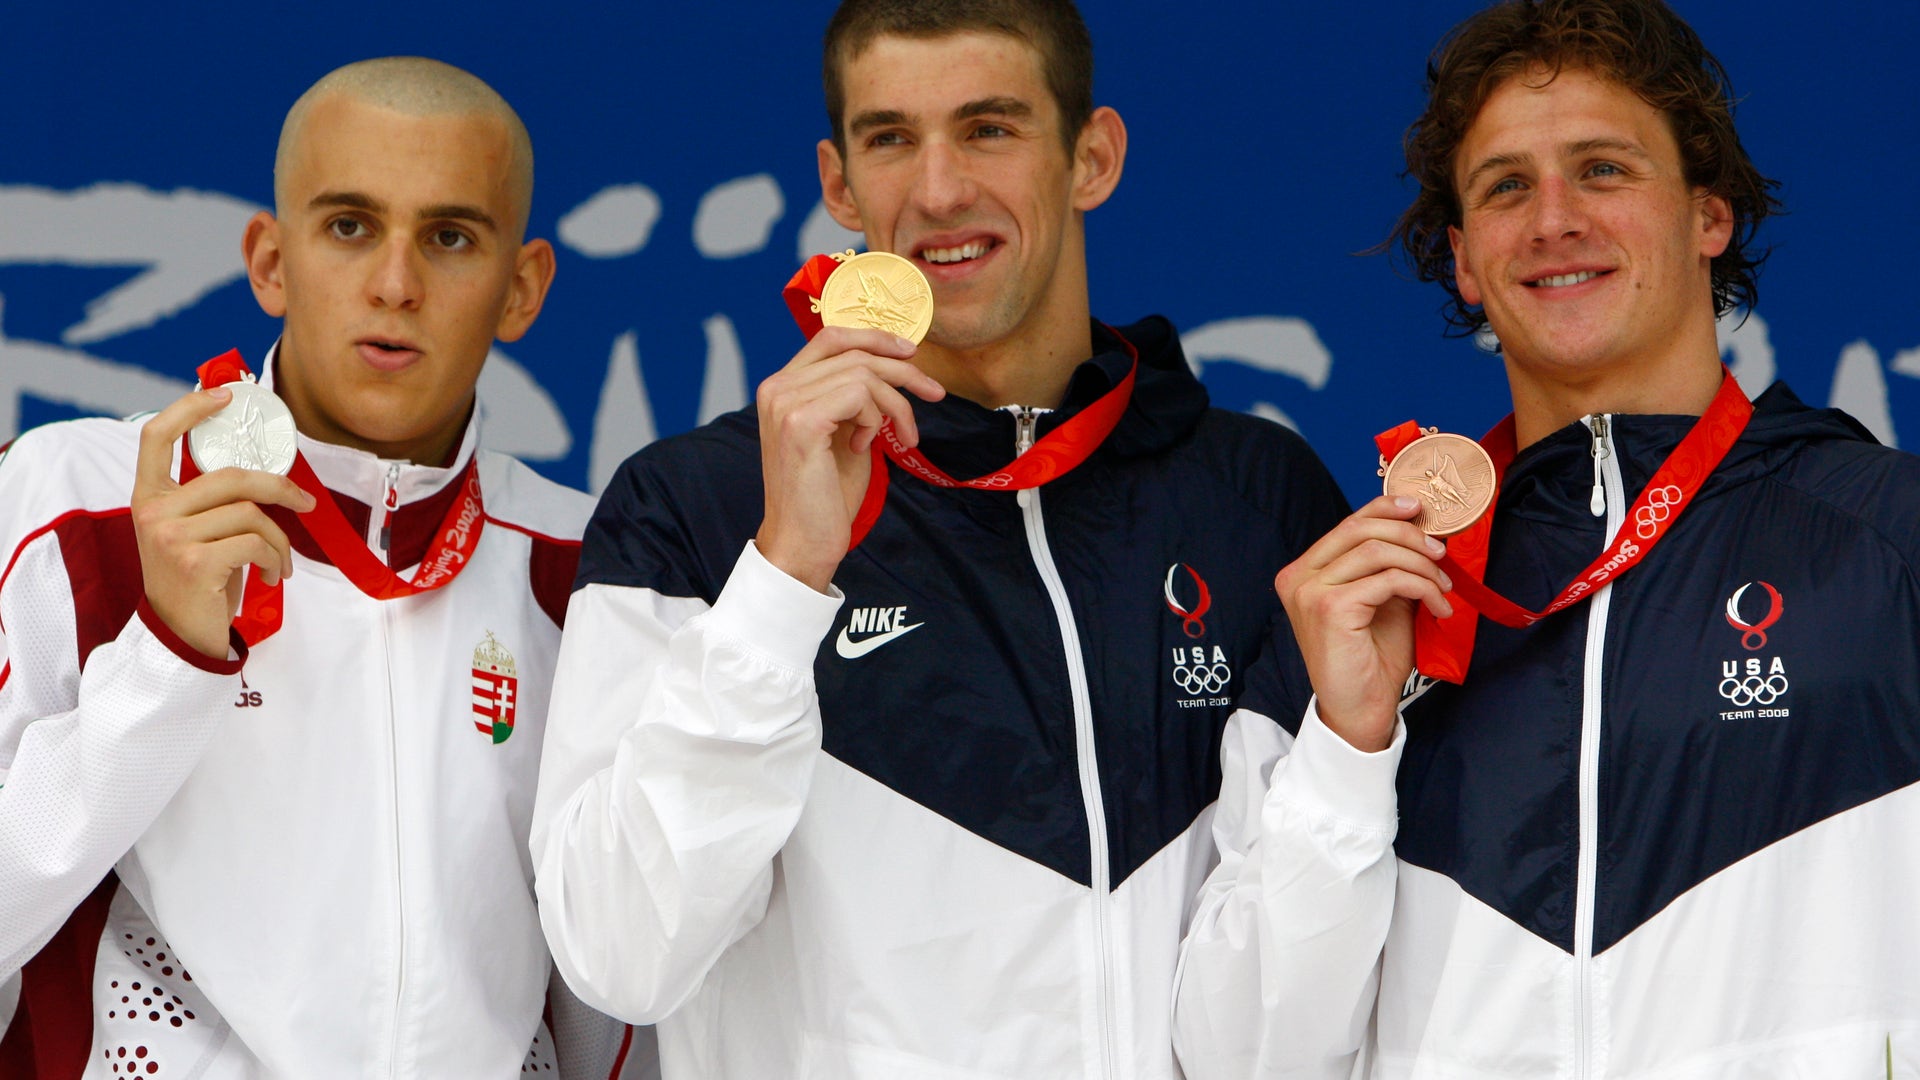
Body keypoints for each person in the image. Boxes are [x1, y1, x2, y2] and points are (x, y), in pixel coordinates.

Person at [530, 0, 1348, 1075]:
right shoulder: (697, 506)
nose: (940, 190)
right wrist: (782, 576)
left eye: (990, 128)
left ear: (1091, 157)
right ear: (838, 184)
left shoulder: (1257, 496)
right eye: (891, 139)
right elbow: (618, 954)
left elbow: (1303, 1000)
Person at [1171, 0, 1920, 1075]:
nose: (1554, 219)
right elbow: (1240, 1059)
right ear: (1467, 260)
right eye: (1507, 186)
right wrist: (1346, 749)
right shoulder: (1367, 597)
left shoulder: (1890, 539)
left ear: (1708, 214)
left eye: (1604, 170)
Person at [0, 57, 649, 1078]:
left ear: (522, 288)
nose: (395, 284)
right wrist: (166, 659)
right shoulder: (71, 503)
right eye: (350, 226)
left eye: (448, 236)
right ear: (269, 260)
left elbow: (626, 995)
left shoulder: (589, 561)